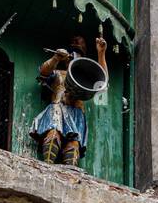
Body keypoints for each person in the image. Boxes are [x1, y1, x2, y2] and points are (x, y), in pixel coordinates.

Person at [29, 35, 108, 166]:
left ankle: (70, 169)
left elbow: (102, 81)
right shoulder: (58, 73)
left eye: (79, 56)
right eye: (73, 54)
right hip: (58, 107)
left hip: (76, 112)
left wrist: (101, 53)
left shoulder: (86, 79)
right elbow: (43, 72)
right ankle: (47, 164)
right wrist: (56, 57)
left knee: (74, 144)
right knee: (53, 134)